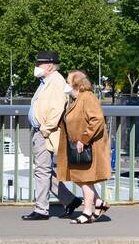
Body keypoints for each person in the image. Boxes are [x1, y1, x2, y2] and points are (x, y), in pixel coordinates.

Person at [21, 51, 80, 221]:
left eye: (38, 64)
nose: (36, 67)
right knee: (43, 170)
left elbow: (56, 109)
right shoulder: (47, 81)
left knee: (42, 170)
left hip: (45, 132)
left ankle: (41, 209)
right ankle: (70, 200)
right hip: (42, 130)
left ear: (48, 65)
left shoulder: (55, 82)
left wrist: (45, 130)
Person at [57, 70, 112, 224]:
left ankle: (87, 212)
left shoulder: (87, 98)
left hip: (88, 147)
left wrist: (84, 139)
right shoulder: (77, 99)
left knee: (85, 180)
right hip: (77, 146)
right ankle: (99, 203)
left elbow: (97, 119)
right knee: (81, 179)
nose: (66, 84)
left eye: (68, 81)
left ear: (76, 84)